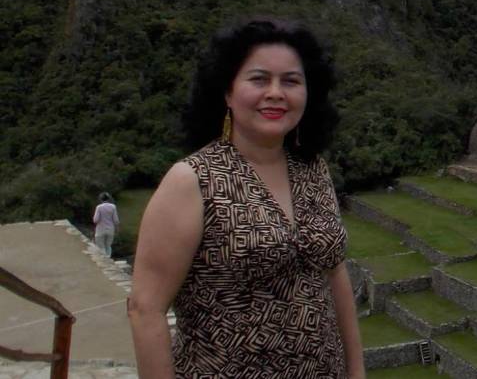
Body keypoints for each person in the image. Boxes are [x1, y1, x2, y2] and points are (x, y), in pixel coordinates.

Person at [128, 19, 364, 378]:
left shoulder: (313, 170)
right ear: (227, 92)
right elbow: (146, 308)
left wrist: (356, 371)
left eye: (291, 81)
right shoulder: (193, 180)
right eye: (259, 79)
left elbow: (335, 273)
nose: (275, 93)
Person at [92, 192, 119, 258]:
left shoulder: (99, 207)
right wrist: (117, 228)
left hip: (100, 229)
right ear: (108, 199)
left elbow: (95, 220)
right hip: (110, 229)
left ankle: (103, 259)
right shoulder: (113, 207)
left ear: (101, 199)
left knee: (101, 246)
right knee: (108, 246)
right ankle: (108, 258)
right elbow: (116, 220)